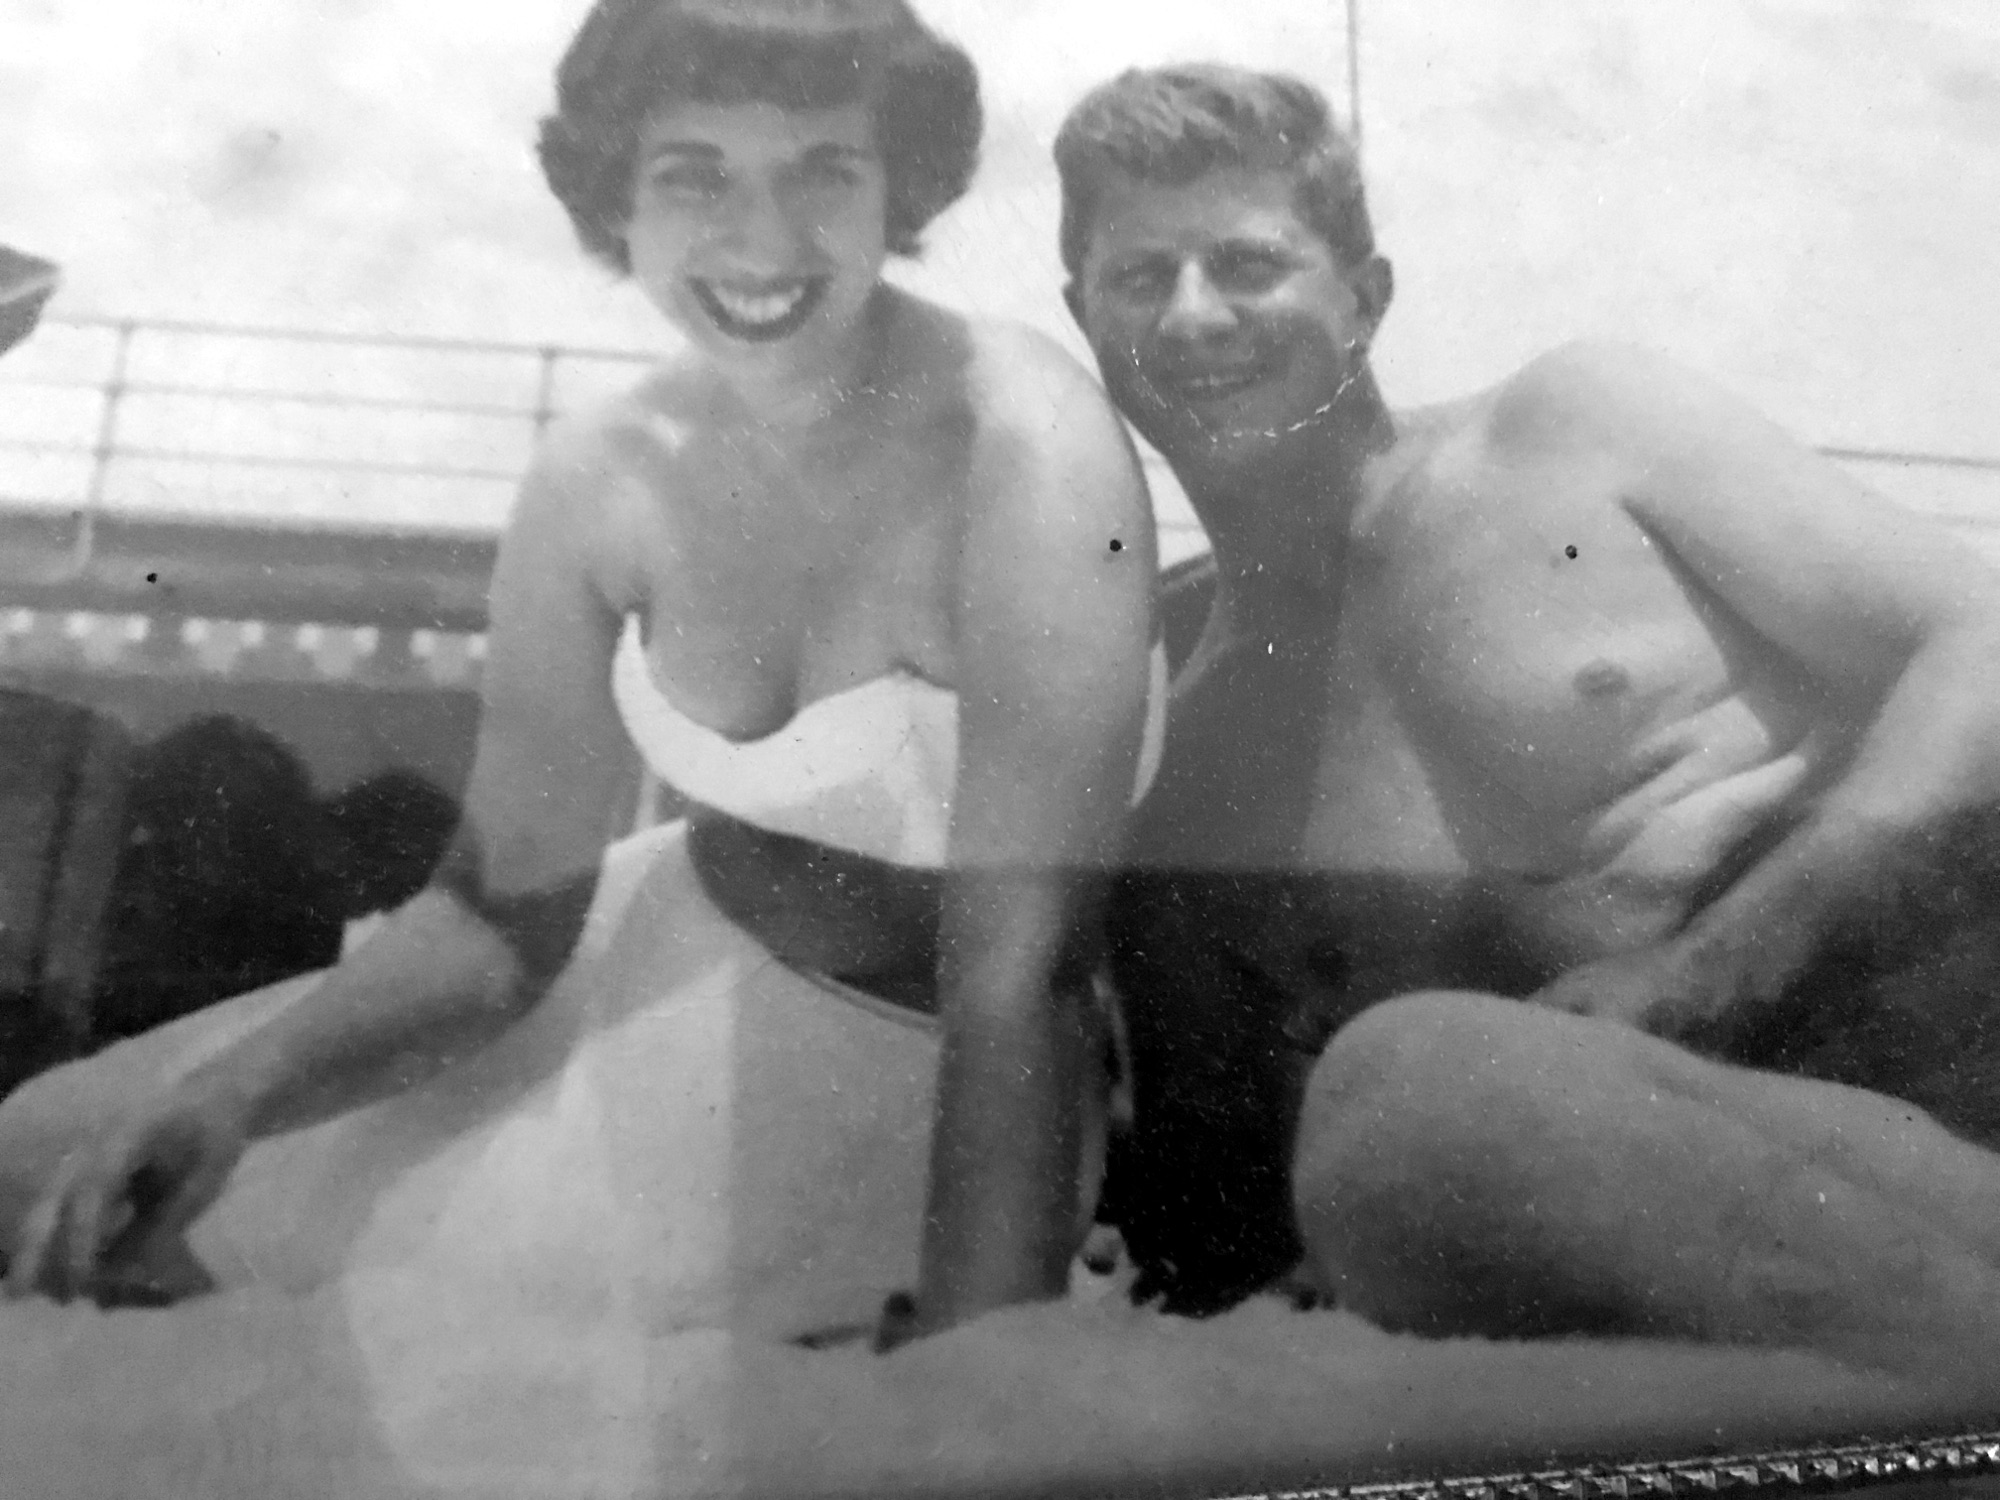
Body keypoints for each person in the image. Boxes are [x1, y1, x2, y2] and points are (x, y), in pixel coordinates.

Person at [0, 0, 1160, 1351]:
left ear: (900, 182)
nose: (763, 239)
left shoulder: (1025, 440)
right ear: (618, 197)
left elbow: (1023, 972)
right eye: (694, 176)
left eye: (823, 171)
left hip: (926, 1049)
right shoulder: (599, 473)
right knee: (50, 1149)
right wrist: (233, 1094)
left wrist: (983, 1373)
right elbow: (499, 920)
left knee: (438, 1345)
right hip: (648, 940)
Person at [1055, 65, 2000, 1373]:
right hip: (1668, 1258)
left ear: (1366, 297)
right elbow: (1238, 1197)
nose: (1195, 314)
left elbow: (1979, 639)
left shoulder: (1576, 429)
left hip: (1940, 1113)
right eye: (1141, 276)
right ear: (1081, 319)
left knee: (1410, 1095)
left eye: (1249, 264)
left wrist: (1711, 971)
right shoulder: (1185, 738)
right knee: (1407, 1112)